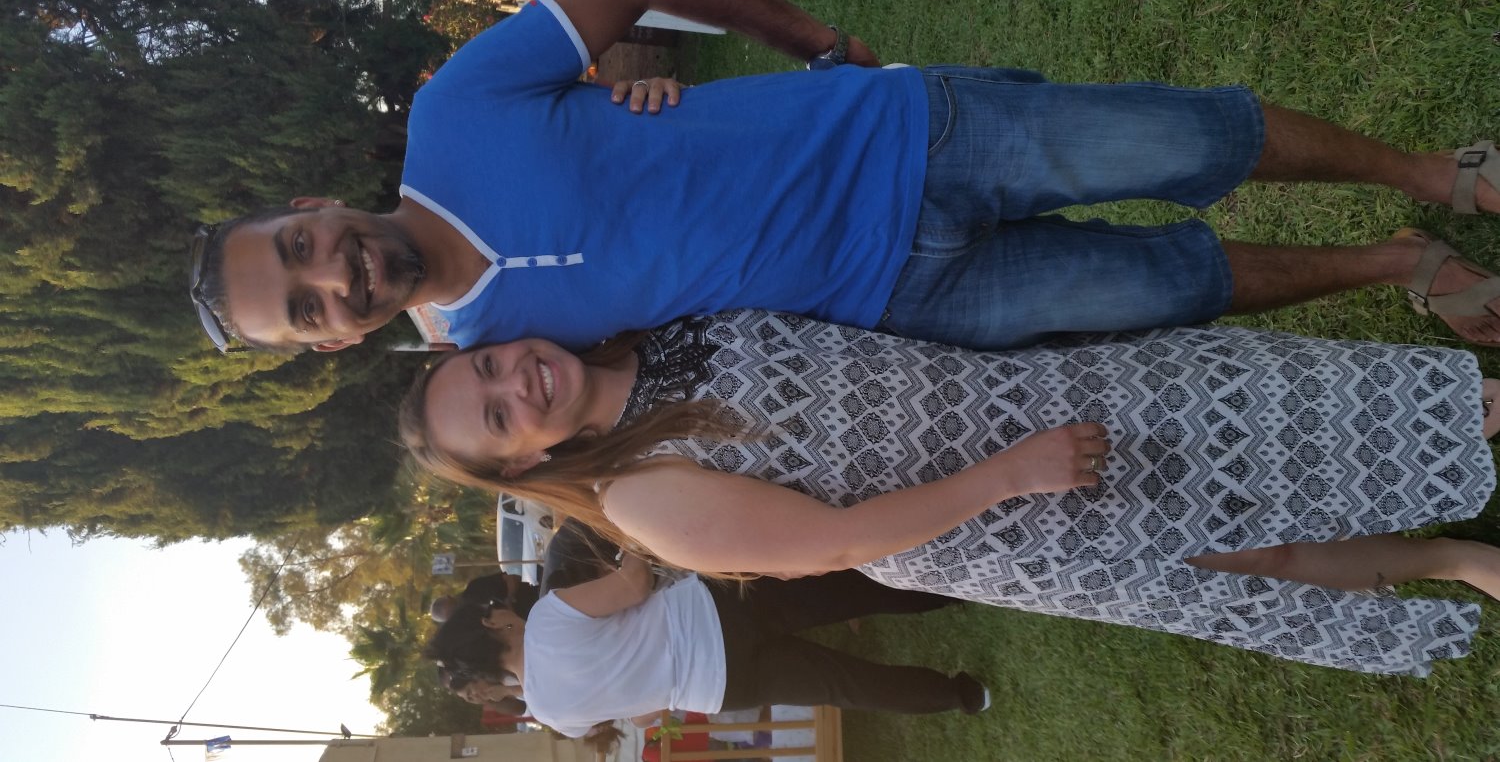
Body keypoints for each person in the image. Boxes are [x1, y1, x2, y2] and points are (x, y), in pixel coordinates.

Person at [189, 0, 1500, 357]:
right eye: (306, 307)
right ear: (328, 343)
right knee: (1172, 286)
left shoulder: (452, 117)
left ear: (311, 203)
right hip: (901, 299)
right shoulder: (489, 371)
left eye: (299, 247)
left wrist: (816, 40)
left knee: (1183, 138)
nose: (335, 275)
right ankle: (1400, 262)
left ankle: (1434, 176)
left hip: (907, 134)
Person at [401, 310, 1500, 677]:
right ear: (521, 465)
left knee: (1259, 397)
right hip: (1002, 511)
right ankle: (1458, 559)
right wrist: (1007, 475)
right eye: (495, 416)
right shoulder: (640, 498)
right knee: (1239, 555)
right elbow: (832, 544)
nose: (516, 382)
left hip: (1029, 394)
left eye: (489, 365)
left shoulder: (649, 326)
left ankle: (1470, 414)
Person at [421, 556, 981, 738]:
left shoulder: (550, 714)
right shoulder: (547, 618)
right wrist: (629, 541)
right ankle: (959, 587)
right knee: (846, 592)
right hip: (717, 612)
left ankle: (962, 695)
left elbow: (642, 713)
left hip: (717, 687)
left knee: (845, 687)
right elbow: (634, 585)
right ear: (491, 624)